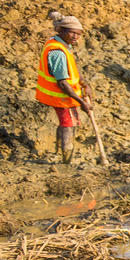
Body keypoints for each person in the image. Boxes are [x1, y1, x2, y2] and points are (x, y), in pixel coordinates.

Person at [37, 11, 93, 164]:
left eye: (78, 34)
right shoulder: (57, 52)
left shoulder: (61, 45)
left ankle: (59, 152)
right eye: (72, 33)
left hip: (64, 95)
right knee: (69, 124)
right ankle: (66, 160)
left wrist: (84, 84)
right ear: (61, 31)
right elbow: (62, 83)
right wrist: (82, 102)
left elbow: (72, 69)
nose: (75, 37)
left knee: (65, 123)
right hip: (61, 97)